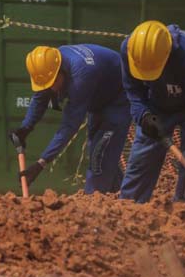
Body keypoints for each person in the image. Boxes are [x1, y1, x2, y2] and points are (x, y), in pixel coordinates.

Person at [119, 20, 185, 215]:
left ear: (167, 55)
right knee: (142, 154)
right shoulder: (129, 49)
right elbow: (133, 92)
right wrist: (144, 116)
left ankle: (183, 214)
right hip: (157, 104)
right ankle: (128, 210)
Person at [10, 44, 130, 194]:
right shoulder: (51, 62)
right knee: (100, 151)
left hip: (118, 100)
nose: (51, 89)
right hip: (100, 94)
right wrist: (25, 128)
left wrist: (41, 163)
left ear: (61, 71)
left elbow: (69, 127)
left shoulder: (81, 78)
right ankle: (122, 199)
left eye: (52, 83)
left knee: (99, 155)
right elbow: (41, 96)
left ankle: (94, 206)